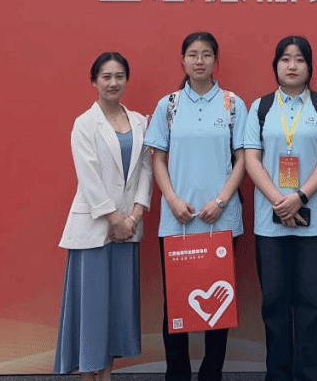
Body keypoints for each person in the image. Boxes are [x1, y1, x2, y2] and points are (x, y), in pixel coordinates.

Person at [145, 32, 248, 381]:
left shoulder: (232, 104)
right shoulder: (169, 105)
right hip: (179, 221)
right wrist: (172, 199)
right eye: (192, 54)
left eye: (206, 54)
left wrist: (221, 200)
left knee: (219, 305)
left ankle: (211, 374)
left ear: (216, 60)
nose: (199, 60)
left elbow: (243, 159)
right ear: (183, 60)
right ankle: (177, 374)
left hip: (222, 219)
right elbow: (158, 159)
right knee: (176, 303)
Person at [243, 36, 317, 381]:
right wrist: (279, 201)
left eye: (300, 59)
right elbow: (251, 158)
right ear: (276, 65)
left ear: (309, 66)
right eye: (285, 59)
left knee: (313, 306)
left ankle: (311, 375)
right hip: (270, 225)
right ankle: (279, 375)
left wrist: (299, 197)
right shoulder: (261, 107)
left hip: (315, 223)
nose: (292, 65)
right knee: (274, 306)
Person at [54, 52, 153, 381]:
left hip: (128, 230)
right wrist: (115, 220)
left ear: (127, 80)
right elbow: (89, 176)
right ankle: (88, 376)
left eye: (119, 76)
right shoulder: (85, 123)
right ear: (94, 81)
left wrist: (134, 217)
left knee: (115, 310)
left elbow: (146, 170)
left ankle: (107, 375)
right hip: (96, 229)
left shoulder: (139, 122)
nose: (113, 83)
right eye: (106, 77)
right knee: (92, 310)